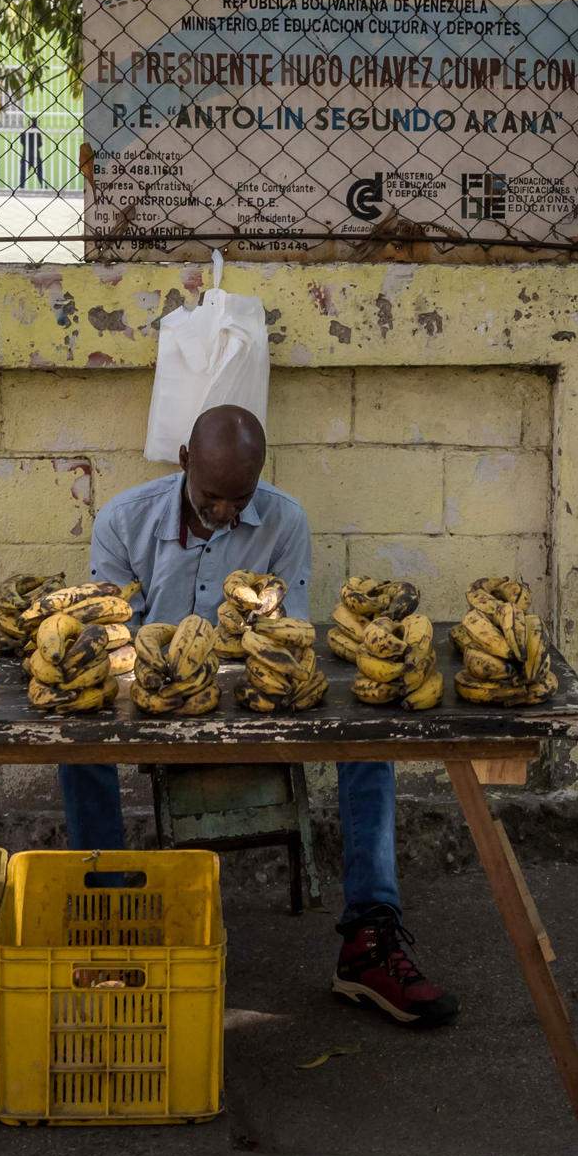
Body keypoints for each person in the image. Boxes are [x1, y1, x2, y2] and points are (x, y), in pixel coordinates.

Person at [59, 404, 460, 1028]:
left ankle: (369, 941)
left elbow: (286, 637)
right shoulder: (123, 520)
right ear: (185, 461)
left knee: (369, 740)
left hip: (257, 697)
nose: (224, 514)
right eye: (212, 497)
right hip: (153, 697)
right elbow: (112, 641)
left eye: (238, 499)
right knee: (75, 744)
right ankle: (110, 930)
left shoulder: (285, 518)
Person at [18, 116, 46, 188]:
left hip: (26, 154)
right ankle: (43, 186)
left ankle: (22, 187)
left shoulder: (25, 132)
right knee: (40, 173)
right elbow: (40, 144)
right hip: (35, 155)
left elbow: (22, 141)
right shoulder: (37, 133)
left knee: (23, 173)